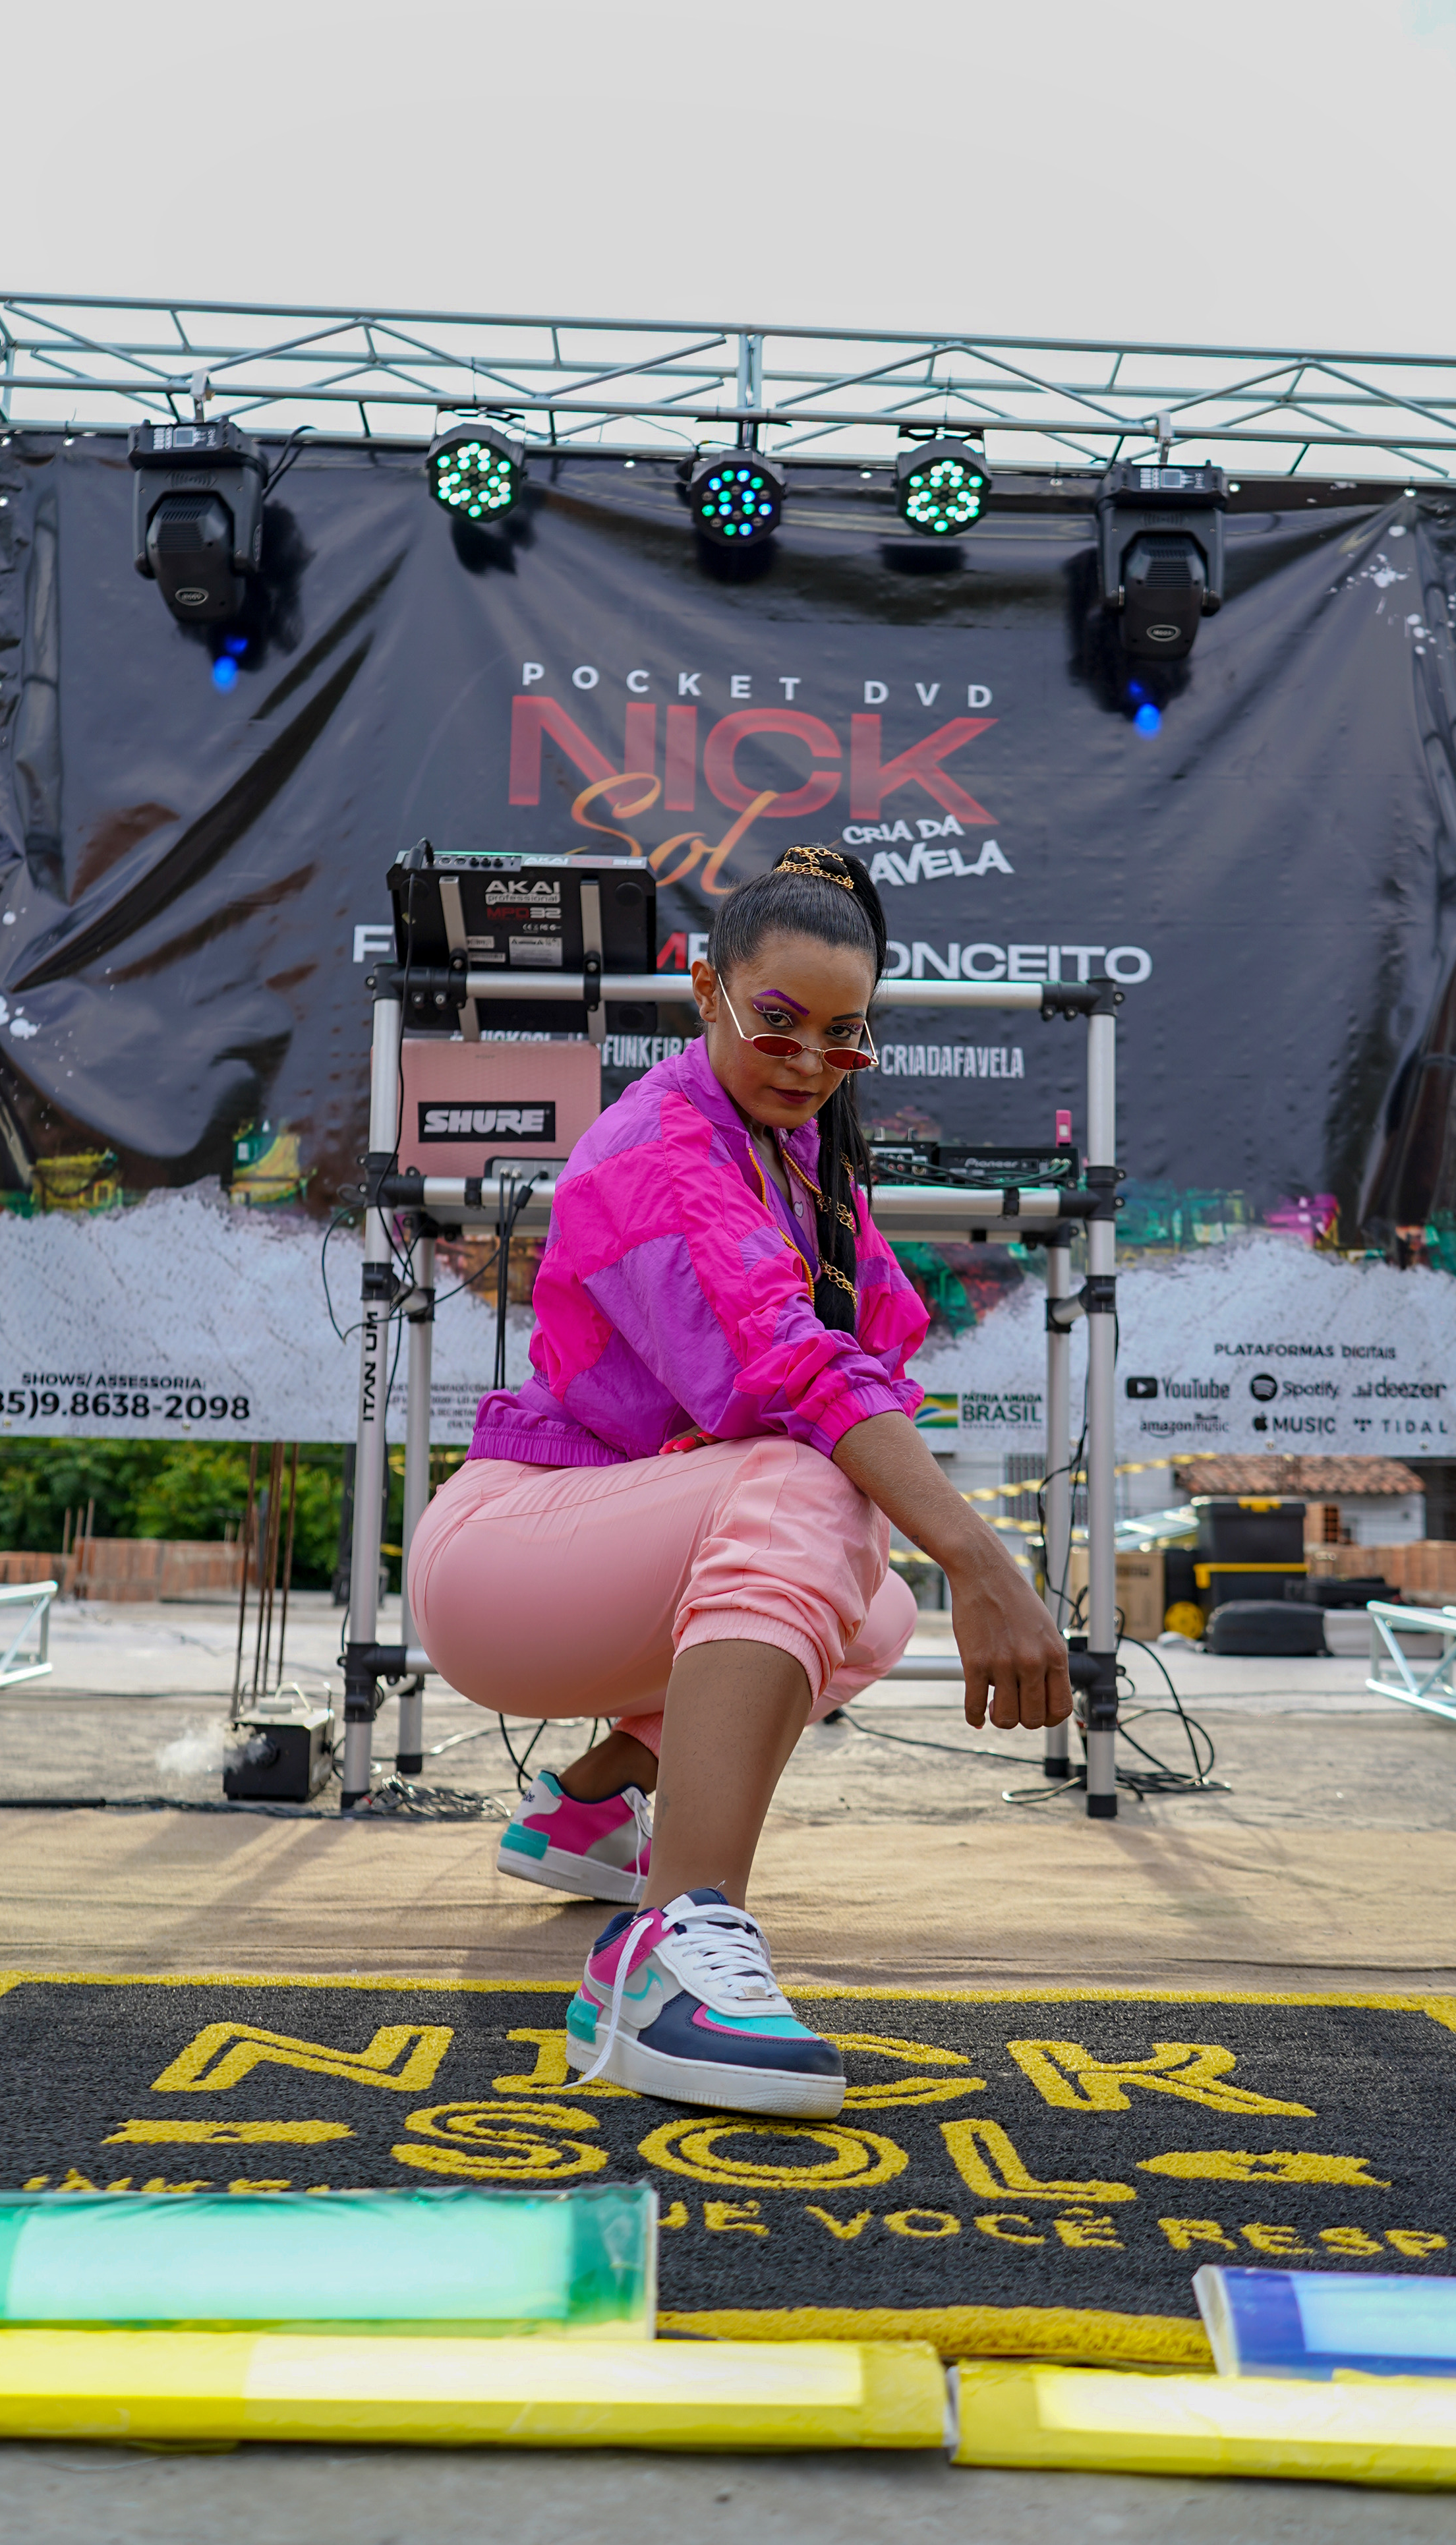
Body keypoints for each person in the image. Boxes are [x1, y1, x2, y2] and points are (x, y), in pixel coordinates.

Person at [408, 844, 1072, 2120]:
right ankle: (668, 1949)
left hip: (605, 1562)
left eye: (843, 1037)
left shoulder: (805, 1161)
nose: (809, 1059)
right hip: (501, 1555)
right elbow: (800, 1373)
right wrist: (984, 1560)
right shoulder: (659, 1145)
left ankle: (590, 1811)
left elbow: (873, 1357)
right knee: (813, 1486)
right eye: (778, 1021)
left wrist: (929, 1537)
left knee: (871, 1602)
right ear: (705, 989)